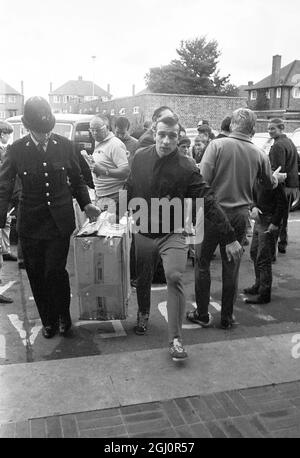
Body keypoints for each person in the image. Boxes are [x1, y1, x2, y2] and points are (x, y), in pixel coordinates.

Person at [126, 115, 242, 361]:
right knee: (142, 278)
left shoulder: (186, 166)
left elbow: (208, 200)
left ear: (178, 138)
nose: (166, 141)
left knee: (174, 276)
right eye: (162, 135)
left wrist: (230, 236)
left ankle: (176, 339)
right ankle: (144, 313)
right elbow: (130, 185)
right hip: (144, 231)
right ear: (154, 133)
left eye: (172, 136)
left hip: (173, 232)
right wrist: (118, 214)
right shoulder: (140, 157)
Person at [0, 96, 100, 337]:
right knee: (35, 273)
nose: (45, 135)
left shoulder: (65, 146)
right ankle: (48, 320)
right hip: (31, 223)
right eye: (39, 131)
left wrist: (87, 205)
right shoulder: (16, 150)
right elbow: (3, 186)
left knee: (55, 271)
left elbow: (77, 180)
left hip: (59, 221)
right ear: (29, 127)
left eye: (47, 131)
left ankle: (64, 315)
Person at [186, 108, 286, 330]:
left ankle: (202, 313)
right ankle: (227, 317)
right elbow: (269, 184)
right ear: (252, 129)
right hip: (241, 215)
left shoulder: (217, 146)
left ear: (232, 125)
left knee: (202, 264)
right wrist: (276, 178)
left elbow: (203, 182)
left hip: (212, 212)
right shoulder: (258, 153)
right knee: (231, 267)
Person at [244, 179, 287, 304]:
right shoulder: (256, 178)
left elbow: (282, 203)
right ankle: (259, 285)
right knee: (254, 253)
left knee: (263, 258)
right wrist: (254, 207)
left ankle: (264, 293)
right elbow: (251, 197)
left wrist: (275, 222)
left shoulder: (273, 180)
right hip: (260, 221)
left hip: (268, 221)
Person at [268, 118, 299, 256]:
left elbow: (277, 170)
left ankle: (272, 251)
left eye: (272, 128)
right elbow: (298, 161)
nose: (269, 131)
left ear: (281, 128)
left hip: (282, 186)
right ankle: (282, 243)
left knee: (276, 216)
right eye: (268, 128)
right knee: (284, 216)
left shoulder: (278, 146)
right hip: (292, 186)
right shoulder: (290, 142)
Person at [89, 115, 130, 217]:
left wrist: (103, 170)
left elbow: (126, 172)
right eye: (92, 130)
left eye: (98, 130)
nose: (94, 133)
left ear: (107, 128)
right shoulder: (99, 142)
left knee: (112, 230)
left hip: (115, 196)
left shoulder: (115, 144)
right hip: (101, 194)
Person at [0, 121, 17, 263]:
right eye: (8, 134)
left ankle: (5, 250)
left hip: (5, 193)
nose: (9, 137)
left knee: (6, 221)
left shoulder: (5, 149)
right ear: (2, 134)